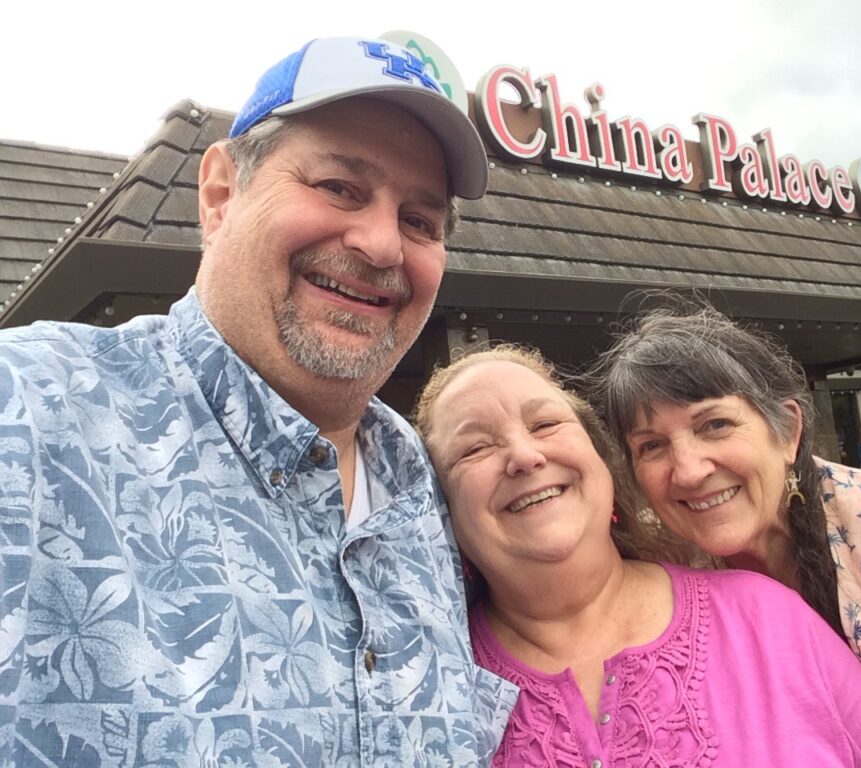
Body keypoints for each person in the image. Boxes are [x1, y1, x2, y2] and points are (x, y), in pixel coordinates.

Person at [0, 37, 517, 766]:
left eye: (419, 221)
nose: (381, 245)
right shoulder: (28, 412)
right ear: (219, 196)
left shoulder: (426, 486)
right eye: (339, 186)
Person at [413, 345, 861, 767]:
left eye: (545, 424)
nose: (525, 456)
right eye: (474, 449)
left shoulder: (770, 619)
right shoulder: (417, 690)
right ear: (441, 509)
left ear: (603, 462)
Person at [590, 304, 861, 768]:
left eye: (714, 424)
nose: (689, 471)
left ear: (788, 432)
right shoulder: (663, 575)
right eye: (651, 446)